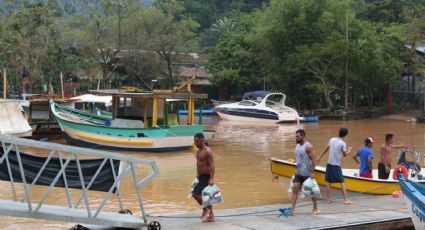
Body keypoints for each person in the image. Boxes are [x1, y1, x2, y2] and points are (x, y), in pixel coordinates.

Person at [318, 127, 352, 204]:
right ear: (345, 135)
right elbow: (345, 155)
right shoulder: (343, 144)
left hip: (329, 164)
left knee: (329, 182)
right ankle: (346, 200)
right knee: (342, 182)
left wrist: (320, 156)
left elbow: (326, 149)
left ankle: (329, 199)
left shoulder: (332, 139)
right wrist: (349, 150)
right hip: (336, 165)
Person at [290, 129, 319, 215]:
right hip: (298, 172)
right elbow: (300, 157)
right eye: (296, 136)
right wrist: (294, 161)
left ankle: (315, 208)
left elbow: (314, 159)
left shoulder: (308, 146)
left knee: (311, 192)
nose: (296, 138)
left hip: (307, 173)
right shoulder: (297, 145)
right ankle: (292, 209)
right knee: (294, 188)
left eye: (297, 136)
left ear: (303, 136)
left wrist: (312, 172)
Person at [192, 133, 216, 222]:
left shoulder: (207, 151)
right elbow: (199, 164)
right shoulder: (198, 151)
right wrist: (197, 174)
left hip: (206, 177)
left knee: (195, 194)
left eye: (196, 141)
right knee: (204, 196)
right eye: (194, 141)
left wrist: (212, 178)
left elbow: (212, 165)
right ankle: (211, 215)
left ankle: (206, 209)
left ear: (202, 140)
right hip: (200, 177)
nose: (195, 143)